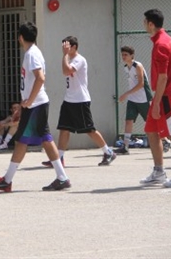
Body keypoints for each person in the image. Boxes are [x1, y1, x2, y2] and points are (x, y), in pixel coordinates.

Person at [0, 22, 70, 192]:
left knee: (21, 141)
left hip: (36, 104)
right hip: (36, 104)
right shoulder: (33, 53)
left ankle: (7, 181)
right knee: (44, 139)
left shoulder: (31, 54)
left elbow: (40, 78)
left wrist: (29, 101)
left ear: (20, 37)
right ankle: (62, 178)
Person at [42, 36, 116, 168]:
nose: (64, 49)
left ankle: (108, 152)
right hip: (68, 100)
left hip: (80, 100)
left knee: (89, 129)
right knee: (64, 129)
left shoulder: (79, 60)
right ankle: (59, 158)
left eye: (67, 46)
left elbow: (66, 71)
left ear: (74, 47)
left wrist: (65, 55)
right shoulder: (68, 59)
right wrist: (65, 56)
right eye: (63, 46)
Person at [140, 9, 171, 187]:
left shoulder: (162, 45)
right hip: (161, 96)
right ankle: (159, 172)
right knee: (151, 130)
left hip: (166, 96)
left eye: (145, 22)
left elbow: (163, 77)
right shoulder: (161, 41)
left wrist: (156, 102)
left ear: (151, 24)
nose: (143, 24)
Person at [115, 46, 153, 155]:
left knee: (150, 123)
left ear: (132, 55)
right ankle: (125, 147)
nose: (123, 56)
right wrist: (129, 95)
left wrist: (126, 94)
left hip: (144, 99)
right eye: (122, 54)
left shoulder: (138, 66)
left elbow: (141, 84)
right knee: (128, 121)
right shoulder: (126, 67)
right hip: (133, 99)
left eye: (126, 54)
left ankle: (166, 141)